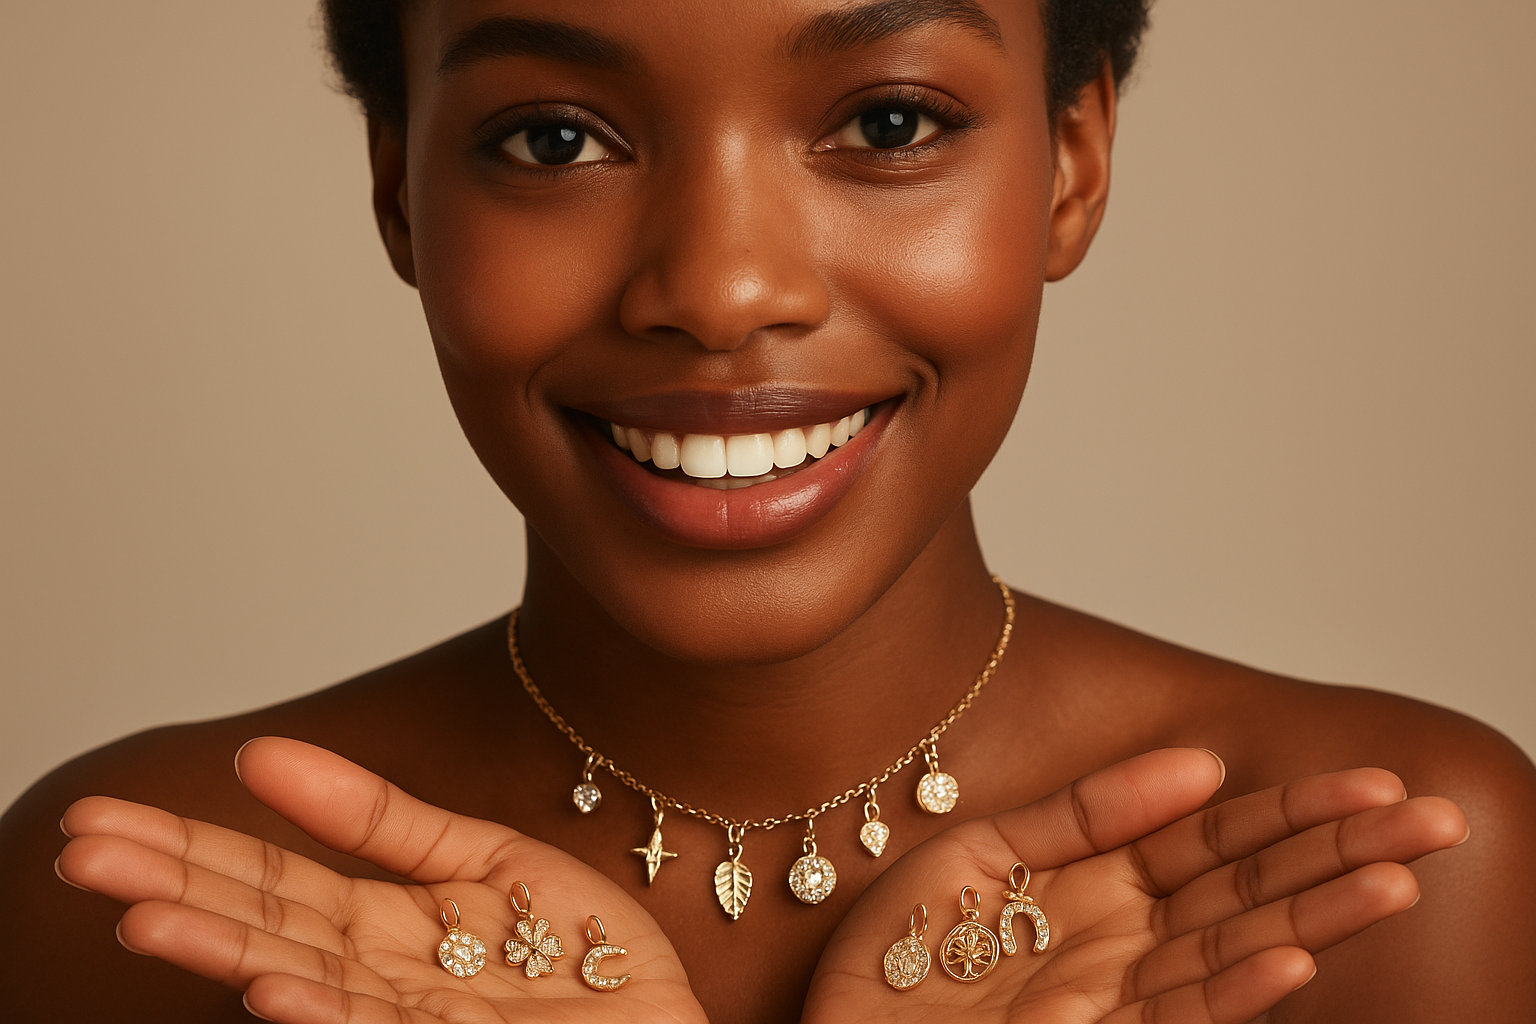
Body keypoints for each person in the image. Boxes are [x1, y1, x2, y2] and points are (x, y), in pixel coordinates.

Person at [3, 1, 1533, 1021]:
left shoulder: (1371, 881)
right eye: (554, 138)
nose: (725, 290)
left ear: (1073, 163)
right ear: (402, 191)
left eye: (886, 124)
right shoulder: (145, 900)